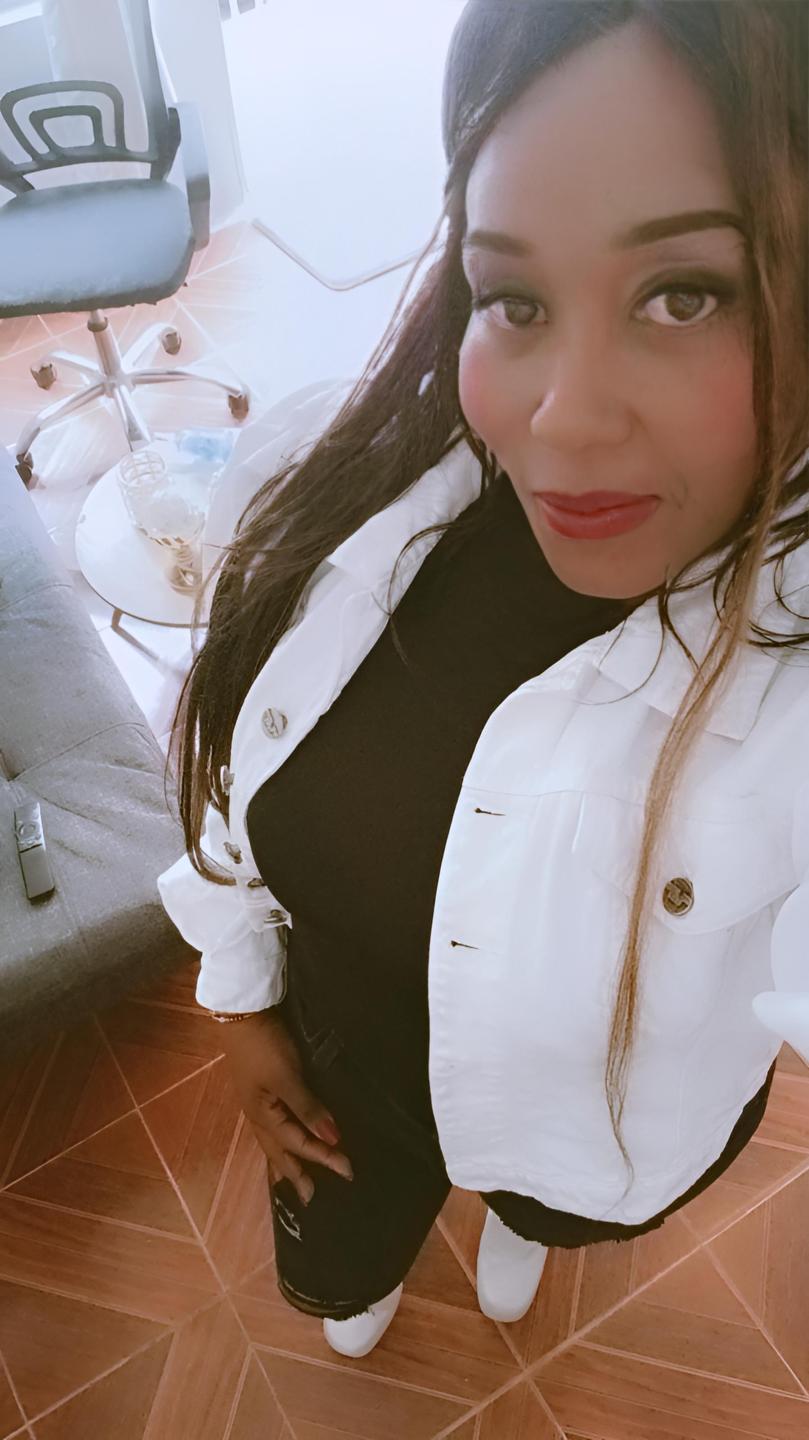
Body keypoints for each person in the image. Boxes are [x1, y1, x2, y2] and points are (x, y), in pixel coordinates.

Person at [157, 0, 809, 1362]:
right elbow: (233, 781)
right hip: (343, 1087)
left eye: (685, 294)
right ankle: (371, 1271)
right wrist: (241, 1002)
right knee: (340, 1271)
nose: (560, 418)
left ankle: (520, 1214)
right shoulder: (332, 497)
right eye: (514, 300)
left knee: (540, 1198)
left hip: (586, 1149)